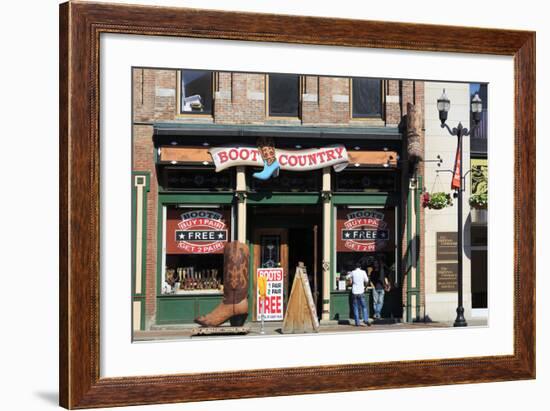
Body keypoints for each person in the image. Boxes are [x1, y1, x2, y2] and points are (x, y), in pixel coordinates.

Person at [345, 262, 372, 327]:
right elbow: (367, 280)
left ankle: (357, 323)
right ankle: (365, 320)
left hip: (354, 292)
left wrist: (350, 279)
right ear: (360, 267)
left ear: (355, 267)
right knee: (364, 307)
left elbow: (346, 277)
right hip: (361, 291)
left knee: (355, 307)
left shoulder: (353, 272)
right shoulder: (363, 272)